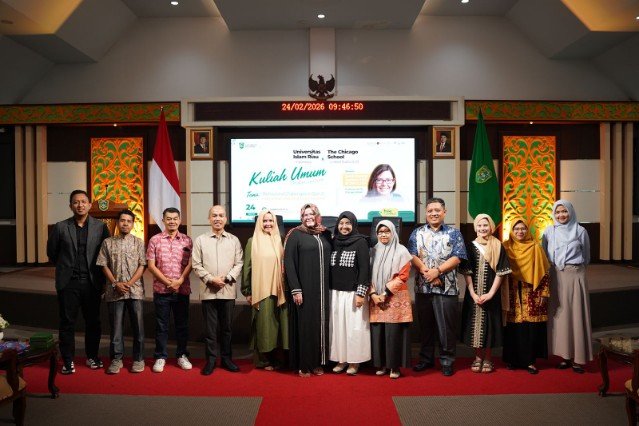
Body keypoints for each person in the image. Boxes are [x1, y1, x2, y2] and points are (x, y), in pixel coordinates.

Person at [47, 189, 110, 374]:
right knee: (67, 322)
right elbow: (52, 252)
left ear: (89, 205)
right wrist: (66, 268)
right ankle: (68, 360)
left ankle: (92, 357)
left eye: (83, 202)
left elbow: (106, 254)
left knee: (93, 322)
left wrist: (104, 281)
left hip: (92, 283)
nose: (80, 205)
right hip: (69, 283)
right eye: (76, 202)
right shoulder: (60, 227)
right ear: (70, 206)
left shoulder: (100, 227)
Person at [408, 197, 467, 376]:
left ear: (444, 212)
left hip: (447, 288)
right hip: (423, 287)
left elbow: (458, 256)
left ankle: (447, 361)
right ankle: (425, 359)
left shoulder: (454, 233)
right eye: (430, 211)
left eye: (437, 210)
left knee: (446, 328)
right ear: (426, 213)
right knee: (425, 327)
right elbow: (411, 255)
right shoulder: (417, 233)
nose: (433, 213)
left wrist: (438, 271)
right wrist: (427, 272)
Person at [542, 200, 592, 374]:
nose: (561, 215)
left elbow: (586, 256)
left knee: (576, 315)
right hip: (556, 276)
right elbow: (543, 254)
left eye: (564, 211)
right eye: (557, 212)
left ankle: (578, 359)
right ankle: (565, 356)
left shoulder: (580, 231)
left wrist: (574, 270)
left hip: (575, 275)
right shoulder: (549, 231)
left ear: (571, 212)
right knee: (561, 317)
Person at [192, 205, 243, 375]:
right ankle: (211, 360)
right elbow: (196, 264)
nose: (217, 219)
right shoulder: (200, 240)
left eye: (221, 215)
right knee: (210, 330)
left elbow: (239, 263)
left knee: (227, 329)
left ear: (226, 219)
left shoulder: (234, 240)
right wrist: (211, 279)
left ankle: (227, 359)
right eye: (214, 215)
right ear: (209, 219)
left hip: (227, 290)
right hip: (209, 291)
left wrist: (226, 278)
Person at [284, 203, 332, 377]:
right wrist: (296, 289)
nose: (309, 217)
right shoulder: (295, 234)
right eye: (305, 215)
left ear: (317, 216)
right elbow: (289, 263)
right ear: (301, 217)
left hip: (323, 290)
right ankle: (304, 364)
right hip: (304, 289)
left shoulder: (325, 234)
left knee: (321, 326)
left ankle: (318, 362)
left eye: (312, 214)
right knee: (306, 326)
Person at [96, 209, 147, 374]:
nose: (125, 223)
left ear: (133, 224)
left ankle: (138, 359)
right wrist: (115, 283)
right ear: (118, 223)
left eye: (129, 221)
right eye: (122, 220)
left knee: (138, 328)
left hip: (135, 291)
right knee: (116, 329)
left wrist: (130, 283)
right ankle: (116, 360)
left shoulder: (139, 242)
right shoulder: (107, 242)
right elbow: (103, 264)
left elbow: (142, 265)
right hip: (114, 291)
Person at [460, 214, 512, 373]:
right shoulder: (470, 246)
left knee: (490, 325)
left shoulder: (498, 245)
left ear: (491, 227)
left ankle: (488, 358)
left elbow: (501, 272)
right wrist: (472, 293)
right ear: (475, 227)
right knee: (474, 325)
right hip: (474, 294)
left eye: (485, 225)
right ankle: (477, 357)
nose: (482, 228)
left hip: (492, 293)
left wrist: (490, 294)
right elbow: (467, 272)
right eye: (479, 225)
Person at [146, 207, 193, 373]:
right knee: (161, 326)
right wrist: (168, 282)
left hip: (182, 290)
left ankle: (182, 355)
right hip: (162, 291)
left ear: (179, 220)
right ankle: (160, 356)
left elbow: (191, 263)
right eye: (169, 218)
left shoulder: (187, 240)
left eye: (175, 218)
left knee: (182, 326)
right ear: (163, 220)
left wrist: (179, 281)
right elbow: (151, 266)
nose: (172, 221)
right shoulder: (155, 240)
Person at [502, 218, 550, 374]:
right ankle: (512, 360)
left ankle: (530, 361)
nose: (520, 232)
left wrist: (544, 292)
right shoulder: (506, 247)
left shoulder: (535, 247)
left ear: (527, 230)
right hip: (511, 291)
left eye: (523, 228)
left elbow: (544, 272)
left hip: (532, 292)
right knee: (513, 328)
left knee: (530, 329)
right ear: (511, 231)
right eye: (516, 229)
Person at [242, 210, 289, 371]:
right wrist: (247, 291)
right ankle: (263, 360)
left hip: (280, 291)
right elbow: (247, 268)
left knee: (280, 327)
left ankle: (279, 359)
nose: (268, 223)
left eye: (271, 220)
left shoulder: (280, 240)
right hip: (262, 291)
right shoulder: (252, 241)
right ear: (259, 223)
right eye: (264, 221)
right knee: (264, 327)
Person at [369, 220, 413, 379]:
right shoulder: (372, 251)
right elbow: (366, 274)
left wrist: (385, 293)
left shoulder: (402, 251)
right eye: (380, 232)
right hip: (375, 298)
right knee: (378, 332)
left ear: (393, 232)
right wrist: (373, 294)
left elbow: (403, 275)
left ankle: (394, 367)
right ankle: (381, 365)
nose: (383, 235)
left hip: (394, 298)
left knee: (393, 333)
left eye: (387, 231)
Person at [329, 211, 371, 375]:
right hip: (335, 293)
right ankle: (341, 359)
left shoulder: (360, 242)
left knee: (354, 328)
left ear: (353, 225)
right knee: (338, 328)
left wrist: (361, 293)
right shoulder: (333, 242)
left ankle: (354, 361)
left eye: (348, 223)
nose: (344, 227)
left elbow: (364, 269)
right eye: (341, 223)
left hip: (353, 294)